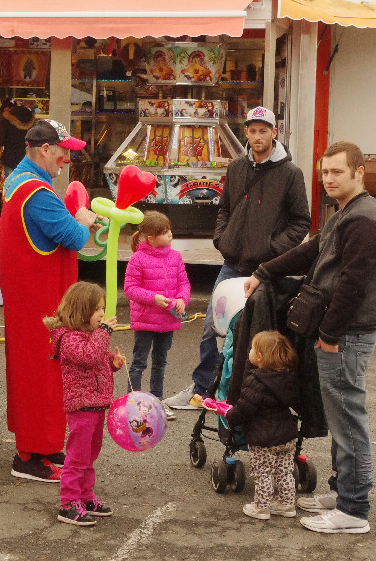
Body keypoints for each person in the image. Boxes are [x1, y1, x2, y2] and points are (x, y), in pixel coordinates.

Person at [245, 141, 376, 535]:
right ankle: (342, 492)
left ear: (359, 173)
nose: (329, 179)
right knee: (340, 418)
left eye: (338, 171)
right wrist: (263, 272)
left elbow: (354, 282)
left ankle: (353, 511)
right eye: (325, 172)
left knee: (349, 419)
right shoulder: (344, 215)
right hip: (340, 333)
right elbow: (309, 251)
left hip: (346, 335)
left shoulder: (363, 218)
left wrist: (331, 334)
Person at [165, 106, 310, 411]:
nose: (258, 136)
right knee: (212, 330)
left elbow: (301, 222)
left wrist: (272, 249)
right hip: (231, 265)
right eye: (253, 130)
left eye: (264, 130)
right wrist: (222, 238)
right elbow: (225, 209)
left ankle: (247, 393)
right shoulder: (236, 168)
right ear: (246, 132)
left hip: (267, 270)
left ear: (274, 133)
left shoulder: (290, 174)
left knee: (257, 334)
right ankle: (201, 388)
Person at [0, 118, 99, 482]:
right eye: (62, 152)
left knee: (33, 372)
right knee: (41, 374)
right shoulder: (37, 193)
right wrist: (83, 217)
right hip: (39, 302)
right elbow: (73, 237)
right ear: (44, 149)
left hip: (28, 297)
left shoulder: (18, 181)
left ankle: (38, 444)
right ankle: (30, 456)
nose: (65, 160)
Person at [44, 282, 125, 526]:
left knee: (90, 455)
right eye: (97, 309)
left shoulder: (89, 336)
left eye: (102, 308)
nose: (102, 314)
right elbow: (88, 357)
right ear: (81, 311)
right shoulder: (68, 338)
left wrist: (113, 361)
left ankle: (86, 496)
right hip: (81, 406)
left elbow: (97, 358)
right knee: (77, 457)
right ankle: (68, 503)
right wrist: (103, 333)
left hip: (97, 404)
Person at [221, 331, 300, 521]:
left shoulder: (255, 381)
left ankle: (261, 506)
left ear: (260, 356)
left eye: (252, 349)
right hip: (286, 435)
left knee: (262, 471)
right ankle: (287, 504)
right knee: (284, 470)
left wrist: (229, 414)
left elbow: (245, 409)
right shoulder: (288, 377)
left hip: (263, 436)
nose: (249, 352)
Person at [124, 211, 190, 421]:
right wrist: (154, 298)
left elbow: (184, 284)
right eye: (164, 232)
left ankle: (157, 400)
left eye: (169, 230)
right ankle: (133, 403)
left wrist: (181, 299)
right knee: (139, 362)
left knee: (160, 362)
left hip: (168, 320)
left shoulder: (176, 257)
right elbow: (130, 289)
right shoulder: (137, 259)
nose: (170, 234)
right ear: (150, 238)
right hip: (145, 322)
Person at [0, 100, 35, 176]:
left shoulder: (7, 118)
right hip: (27, 160)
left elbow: (0, 141)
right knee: (24, 186)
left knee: (12, 186)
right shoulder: (32, 119)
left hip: (10, 160)